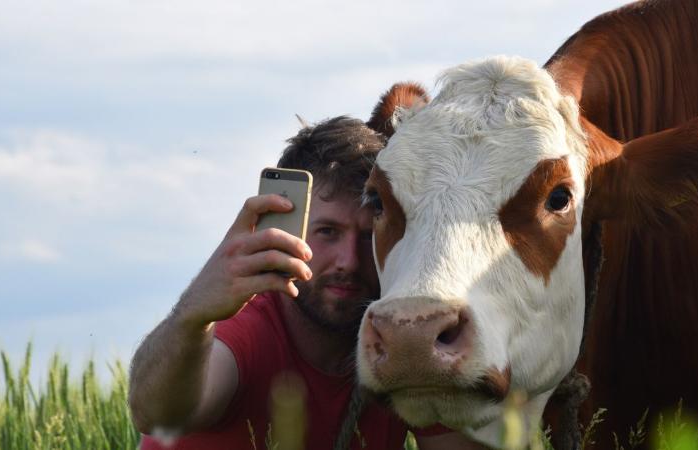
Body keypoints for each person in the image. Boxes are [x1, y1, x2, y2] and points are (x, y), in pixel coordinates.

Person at [128, 86, 485, 450]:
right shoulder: (247, 332)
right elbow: (155, 415)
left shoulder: (393, 343)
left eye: (367, 236)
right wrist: (193, 314)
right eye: (327, 232)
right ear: (282, 228)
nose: (348, 261)